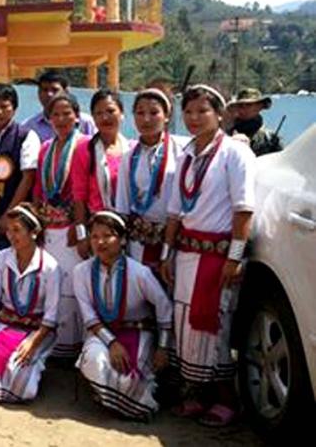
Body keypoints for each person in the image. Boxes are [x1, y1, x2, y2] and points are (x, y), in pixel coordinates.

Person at [161, 85, 256, 427]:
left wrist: (234, 257)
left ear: (220, 114)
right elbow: (174, 212)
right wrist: (167, 254)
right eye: (188, 111)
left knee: (216, 327)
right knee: (186, 327)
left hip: (217, 256)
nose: (194, 118)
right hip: (187, 253)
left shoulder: (235, 153)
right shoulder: (186, 155)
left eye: (203, 111)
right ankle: (198, 395)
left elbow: (243, 210)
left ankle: (227, 399)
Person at [74, 211, 174, 421]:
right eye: (94, 236)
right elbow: (89, 315)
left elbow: (164, 306)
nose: (100, 242)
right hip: (101, 333)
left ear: (121, 239)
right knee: (94, 361)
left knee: (130, 379)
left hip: (138, 332)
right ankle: (130, 404)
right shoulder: (81, 272)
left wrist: (163, 347)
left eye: (107, 236)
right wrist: (112, 343)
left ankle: (115, 398)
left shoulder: (139, 273)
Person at [0, 204, 60, 402]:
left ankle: (34, 365)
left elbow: (51, 314)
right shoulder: (1, 259)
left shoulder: (50, 267)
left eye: (17, 230)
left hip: (36, 331)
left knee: (21, 381)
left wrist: (32, 343)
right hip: (7, 324)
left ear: (33, 233)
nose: (11, 235)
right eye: (8, 230)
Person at [32, 93, 88, 359]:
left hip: (72, 229)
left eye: (67, 113)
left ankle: (75, 346)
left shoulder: (85, 145)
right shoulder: (45, 148)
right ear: (49, 118)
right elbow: (37, 190)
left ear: (77, 116)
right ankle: (53, 346)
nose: (62, 119)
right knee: (51, 285)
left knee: (73, 286)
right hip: (48, 227)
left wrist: (81, 230)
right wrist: (37, 224)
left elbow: (83, 192)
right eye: (56, 114)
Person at [0, 83, 41, 297]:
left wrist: (8, 215)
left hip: (14, 214)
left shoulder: (26, 136)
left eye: (4, 106)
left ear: (14, 107)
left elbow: (28, 177)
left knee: (14, 265)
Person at [115, 88, 185, 272]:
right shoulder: (128, 156)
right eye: (140, 113)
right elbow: (122, 204)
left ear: (167, 116)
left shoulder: (183, 150)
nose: (146, 119)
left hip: (172, 237)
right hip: (138, 240)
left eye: (154, 113)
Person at [72, 89, 130, 259]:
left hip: (128, 230)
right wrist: (82, 236)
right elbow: (79, 196)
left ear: (122, 113)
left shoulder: (132, 150)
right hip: (98, 233)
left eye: (111, 111)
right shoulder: (84, 150)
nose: (105, 117)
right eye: (99, 113)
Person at [20, 71, 95, 142]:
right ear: (38, 93)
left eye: (55, 90)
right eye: (45, 90)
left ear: (66, 92)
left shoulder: (85, 122)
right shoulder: (29, 126)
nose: (49, 94)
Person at [227, 88, 282, 156]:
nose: (244, 109)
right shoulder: (226, 135)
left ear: (260, 106)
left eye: (249, 105)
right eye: (240, 105)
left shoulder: (269, 138)